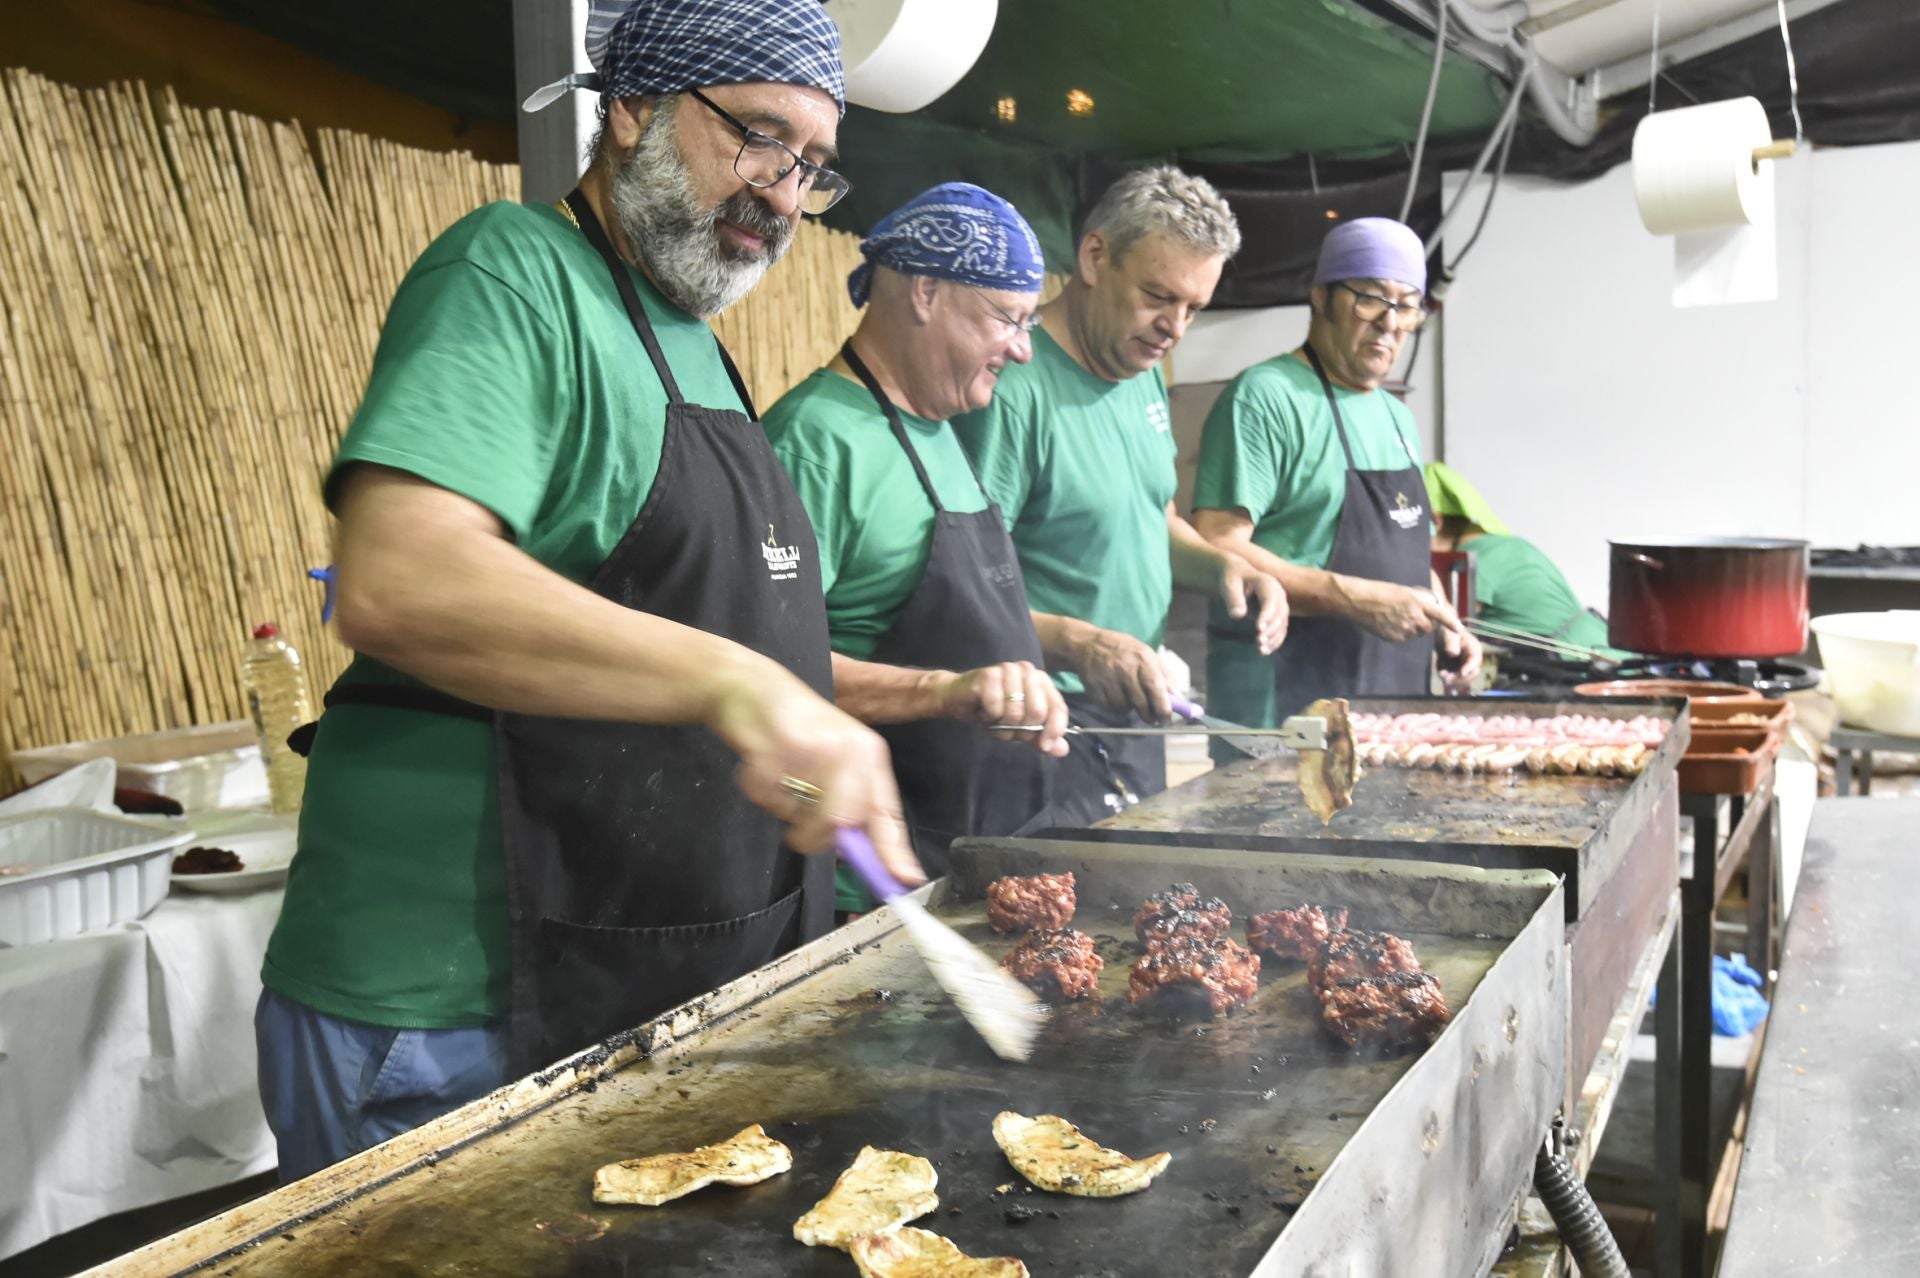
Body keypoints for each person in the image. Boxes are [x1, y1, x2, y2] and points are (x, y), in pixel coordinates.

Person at [255, 0, 920, 1183]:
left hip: (637, 984)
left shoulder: (697, 351)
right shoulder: (513, 270)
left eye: (812, 166)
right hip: (453, 1012)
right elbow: (399, 579)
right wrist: (740, 684)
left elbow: (729, 650)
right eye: (759, 136)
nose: (781, 192)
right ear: (632, 109)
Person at [765, 184, 1068, 909]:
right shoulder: (814, 442)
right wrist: (942, 691)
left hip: (985, 857)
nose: (1023, 349)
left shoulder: (942, 427)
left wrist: (1081, 645)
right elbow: (764, 664)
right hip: (874, 883)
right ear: (926, 291)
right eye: (1007, 318)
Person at [955, 166, 1287, 827]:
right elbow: (963, 588)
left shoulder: (1138, 371)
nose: (1175, 327)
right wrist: (1082, 644)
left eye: (1193, 308)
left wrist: (1225, 566)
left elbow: (1151, 515)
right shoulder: (1013, 391)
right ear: (1094, 256)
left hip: (1135, 712)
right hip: (1039, 724)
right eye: (1158, 296)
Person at [1192, 216, 1480, 733]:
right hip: (1284, 708)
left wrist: (1445, 620)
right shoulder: (1265, 398)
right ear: (1321, 297)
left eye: (1407, 305)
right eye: (1371, 299)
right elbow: (1218, 544)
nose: (1391, 322)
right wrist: (1355, 598)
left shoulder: (1396, 416)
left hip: (1392, 711)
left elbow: (1405, 555)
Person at [1424, 461, 1617, 654]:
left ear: (1435, 522)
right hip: (1602, 644)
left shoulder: (1474, 559)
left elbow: (1447, 632)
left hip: (1573, 658)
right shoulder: (1509, 545)